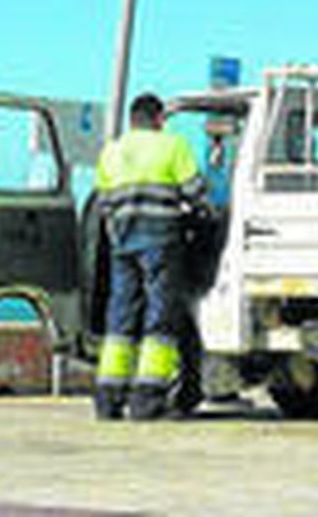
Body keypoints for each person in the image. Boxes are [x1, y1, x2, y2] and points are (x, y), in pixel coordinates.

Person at [93, 92, 207, 421]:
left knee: (121, 315)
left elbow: (104, 202)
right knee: (161, 315)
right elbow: (195, 191)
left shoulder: (112, 151)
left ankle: (109, 398)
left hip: (122, 241)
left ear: (132, 119)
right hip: (161, 241)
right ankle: (148, 399)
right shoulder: (172, 146)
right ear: (159, 119)